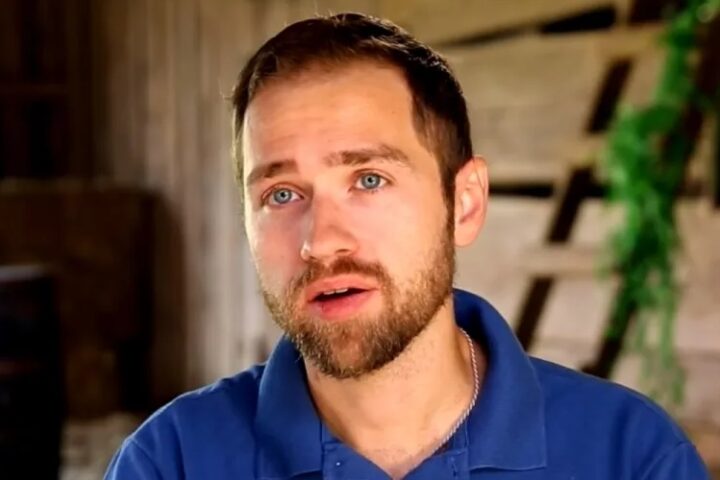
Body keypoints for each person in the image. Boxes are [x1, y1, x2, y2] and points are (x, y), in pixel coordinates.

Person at [105, 12, 710, 480]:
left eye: (368, 180)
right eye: (282, 194)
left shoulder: (630, 456)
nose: (321, 241)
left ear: (464, 203)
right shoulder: (169, 462)